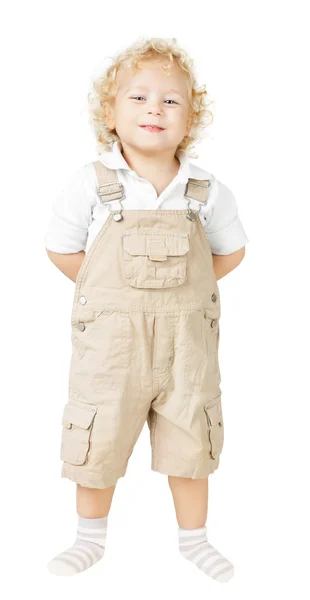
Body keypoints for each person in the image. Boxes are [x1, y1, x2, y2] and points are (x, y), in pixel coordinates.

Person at [45, 37, 249, 581]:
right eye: (137, 98)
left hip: (189, 344)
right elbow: (62, 248)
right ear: (109, 114)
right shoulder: (93, 183)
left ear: (191, 120)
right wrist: (105, 294)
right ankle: (89, 538)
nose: (154, 109)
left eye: (170, 101)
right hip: (110, 346)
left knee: (192, 434)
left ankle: (194, 539)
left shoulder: (206, 190)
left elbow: (230, 252)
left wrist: (183, 293)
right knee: (99, 434)